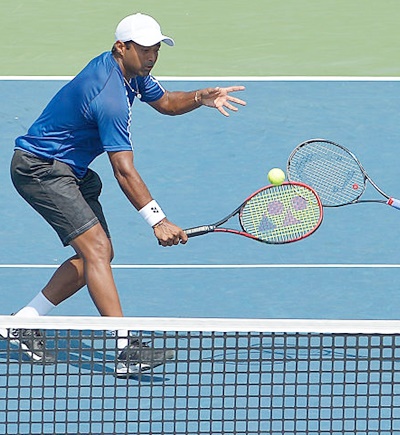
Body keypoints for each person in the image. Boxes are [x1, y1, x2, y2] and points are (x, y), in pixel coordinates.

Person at [7, 13, 246, 375]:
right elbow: (123, 169)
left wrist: (200, 97)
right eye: (145, 50)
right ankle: (125, 349)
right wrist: (158, 220)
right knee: (97, 250)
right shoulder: (110, 95)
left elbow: (165, 102)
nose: (152, 57)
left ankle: (24, 320)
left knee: (98, 256)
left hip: (70, 170)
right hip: (41, 169)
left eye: (156, 50)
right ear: (122, 47)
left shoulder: (131, 74)